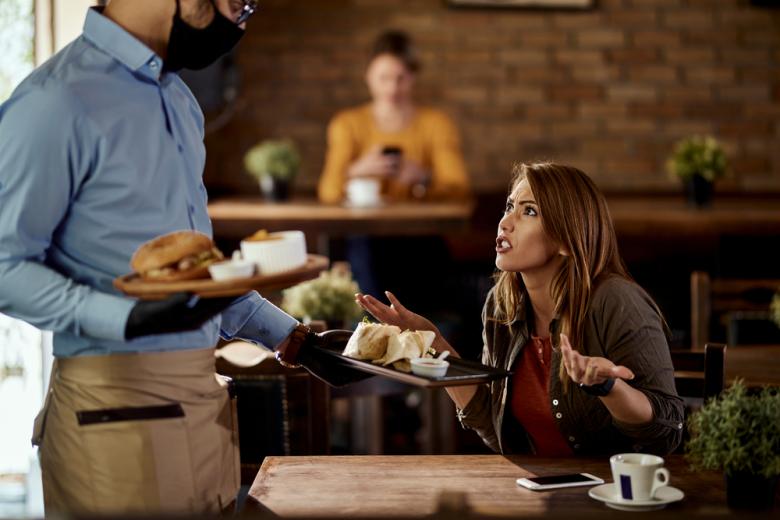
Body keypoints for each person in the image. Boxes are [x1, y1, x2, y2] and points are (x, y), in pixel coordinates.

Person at [0, 0, 360, 514]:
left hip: (204, 402)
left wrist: (294, 340)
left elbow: (196, 269)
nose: (240, 17)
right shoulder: (55, 101)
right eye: (237, 1)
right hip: (112, 408)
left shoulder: (178, 99)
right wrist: (127, 317)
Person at [357, 163, 685, 456]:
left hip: (617, 493)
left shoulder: (616, 301)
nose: (505, 222)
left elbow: (666, 432)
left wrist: (608, 388)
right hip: (542, 494)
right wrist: (432, 344)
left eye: (529, 212)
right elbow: (493, 426)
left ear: (567, 240)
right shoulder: (501, 305)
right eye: (510, 206)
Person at [317, 30, 471, 204]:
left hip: (419, 225)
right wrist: (357, 171)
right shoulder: (346, 124)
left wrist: (423, 177)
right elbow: (328, 194)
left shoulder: (437, 124)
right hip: (362, 227)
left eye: (400, 78)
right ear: (368, 76)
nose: (392, 88)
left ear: (413, 77)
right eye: (384, 78)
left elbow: (459, 190)